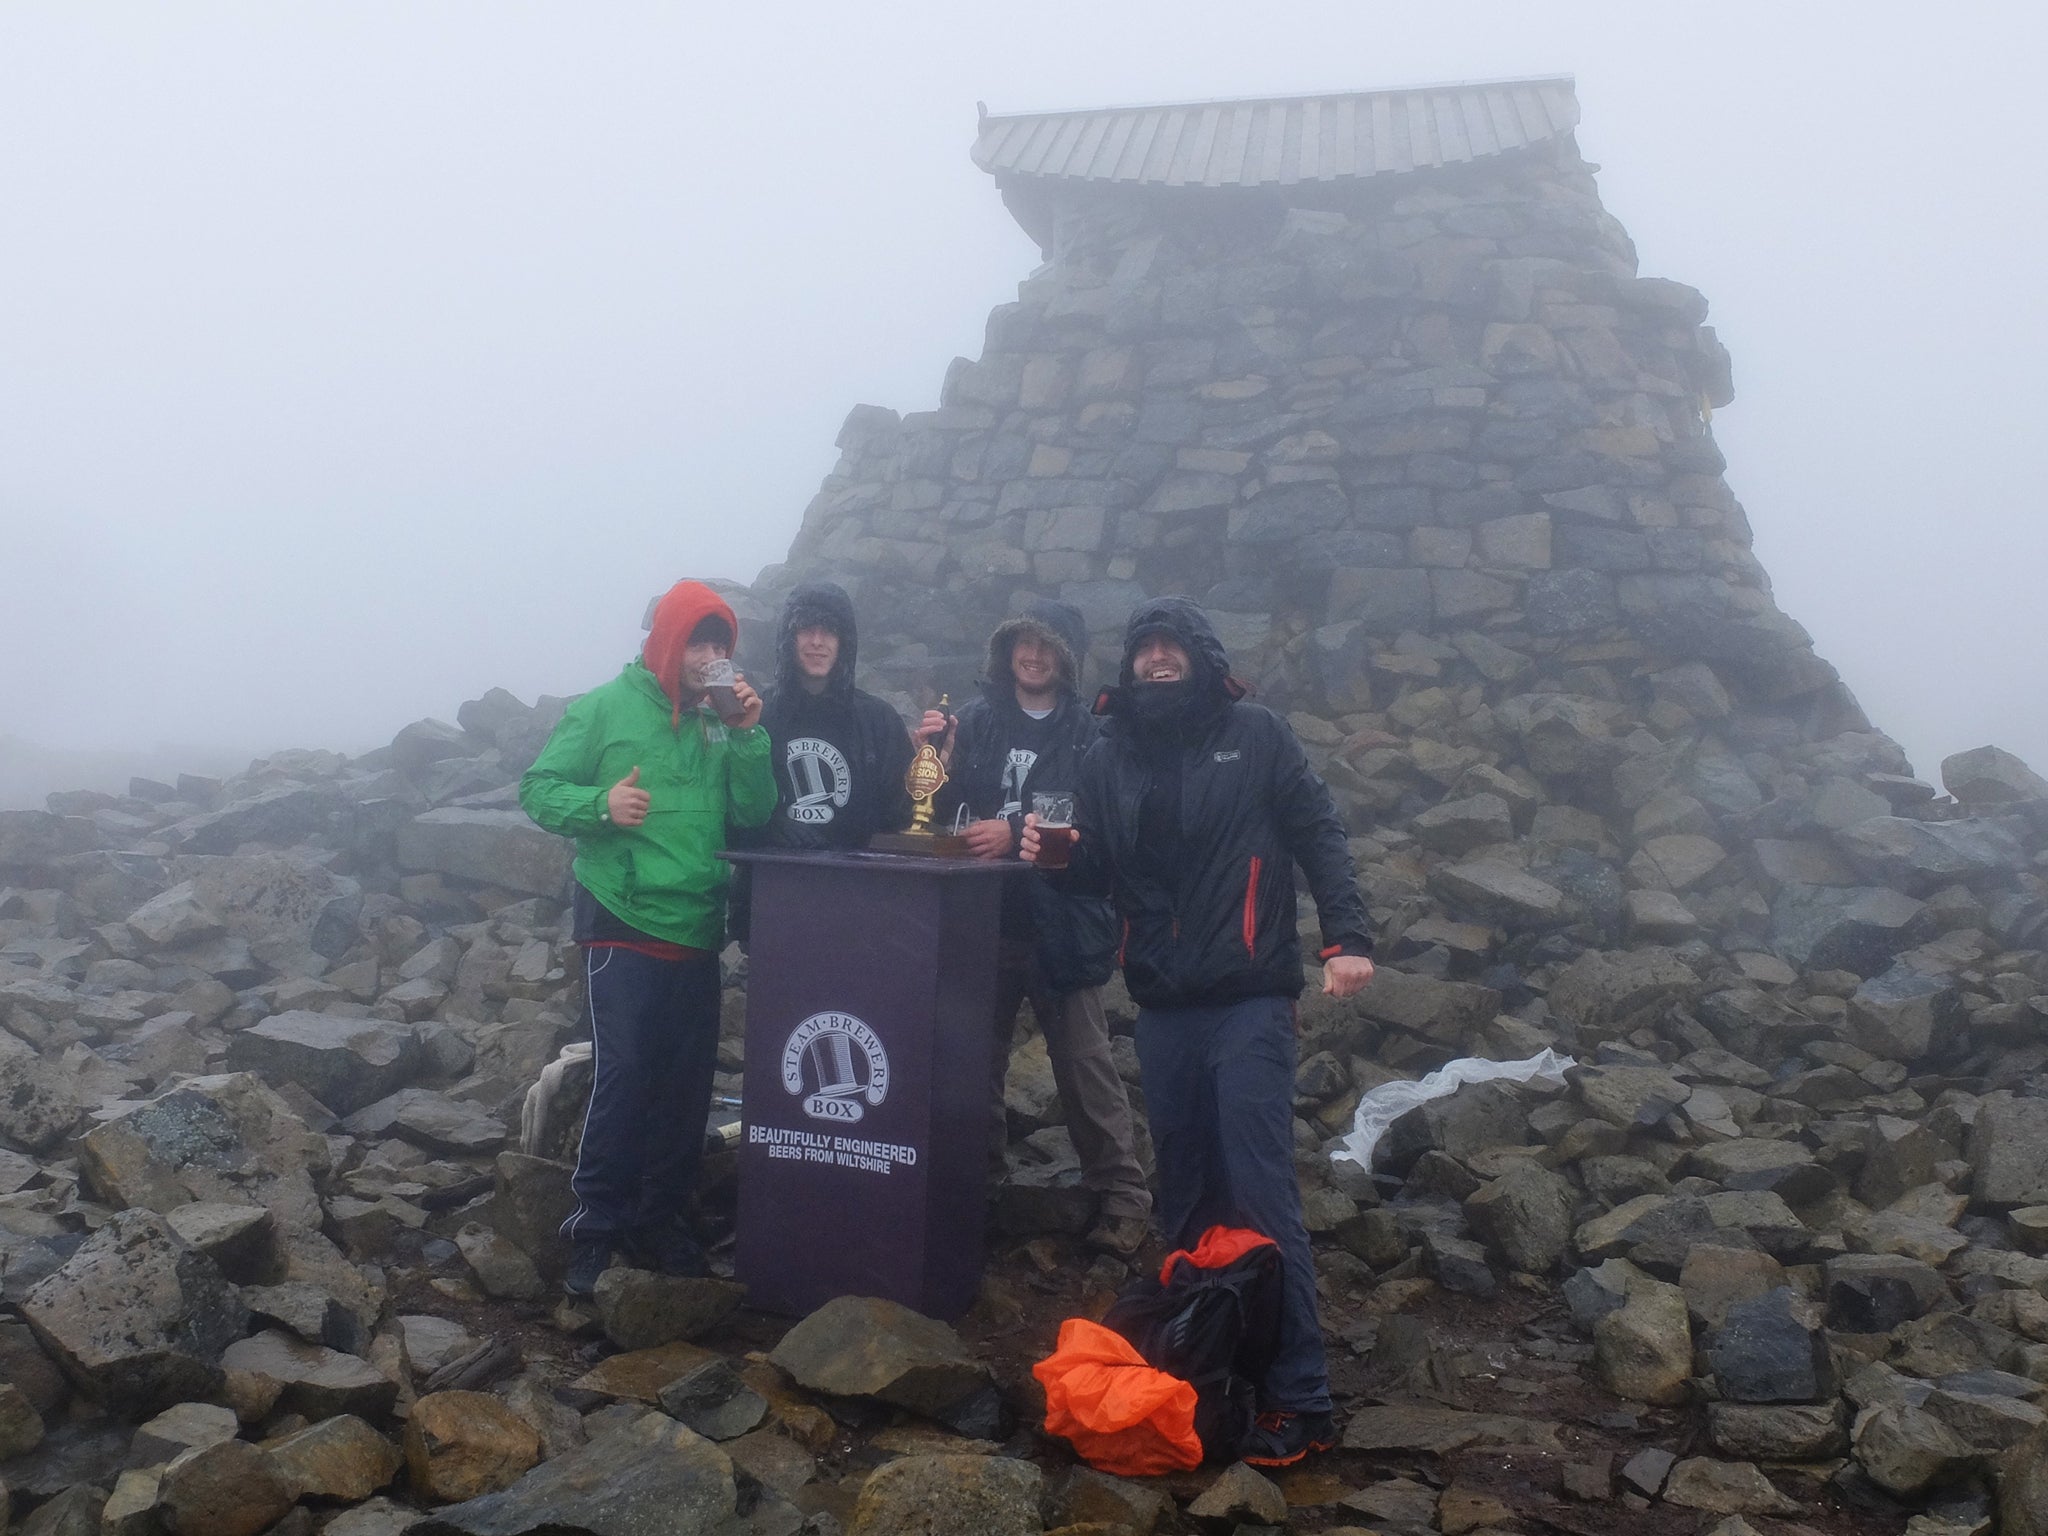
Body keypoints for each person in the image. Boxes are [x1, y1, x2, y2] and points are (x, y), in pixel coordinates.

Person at [1020, 595, 1375, 1467]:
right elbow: (1099, 872)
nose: (1157, 661)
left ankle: (1301, 1397)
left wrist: (1348, 939)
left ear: (1202, 657)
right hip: (1165, 1009)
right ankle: (1205, 1366)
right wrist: (1055, 861)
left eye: (1172, 647)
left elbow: (1317, 832)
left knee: (1258, 1195)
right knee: (1184, 1202)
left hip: (1250, 1000)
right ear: (1130, 666)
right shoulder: (1112, 756)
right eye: (1145, 650)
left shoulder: (1255, 735)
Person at [519, 579, 775, 1295]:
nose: (710, 656)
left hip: (697, 925)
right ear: (667, 640)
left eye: (720, 644)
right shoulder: (604, 707)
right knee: (625, 1076)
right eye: (698, 640)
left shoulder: (724, 720)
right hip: (621, 918)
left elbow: (755, 813)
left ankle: (658, 1222)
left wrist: (752, 734)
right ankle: (594, 1230)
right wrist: (602, 804)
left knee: (686, 1088)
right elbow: (538, 789)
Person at [928, 599, 1153, 1259]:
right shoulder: (971, 722)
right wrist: (930, 766)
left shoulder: (1093, 732)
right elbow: (936, 809)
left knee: (1085, 1066)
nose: (1032, 656)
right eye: (1023, 644)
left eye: (1046, 647)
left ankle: (1122, 1199)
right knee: (976, 1065)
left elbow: (1102, 810)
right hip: (981, 922)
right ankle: (979, 1188)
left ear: (1067, 659)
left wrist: (1014, 825)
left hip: (1066, 921)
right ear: (1007, 652)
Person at [728, 582, 916, 942]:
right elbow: (728, 817)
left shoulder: (878, 720)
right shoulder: (756, 717)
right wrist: (768, 831)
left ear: (845, 641)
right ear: (788, 638)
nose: (817, 641)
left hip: (860, 910)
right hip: (771, 911)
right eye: (806, 630)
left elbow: (906, 818)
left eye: (829, 630)